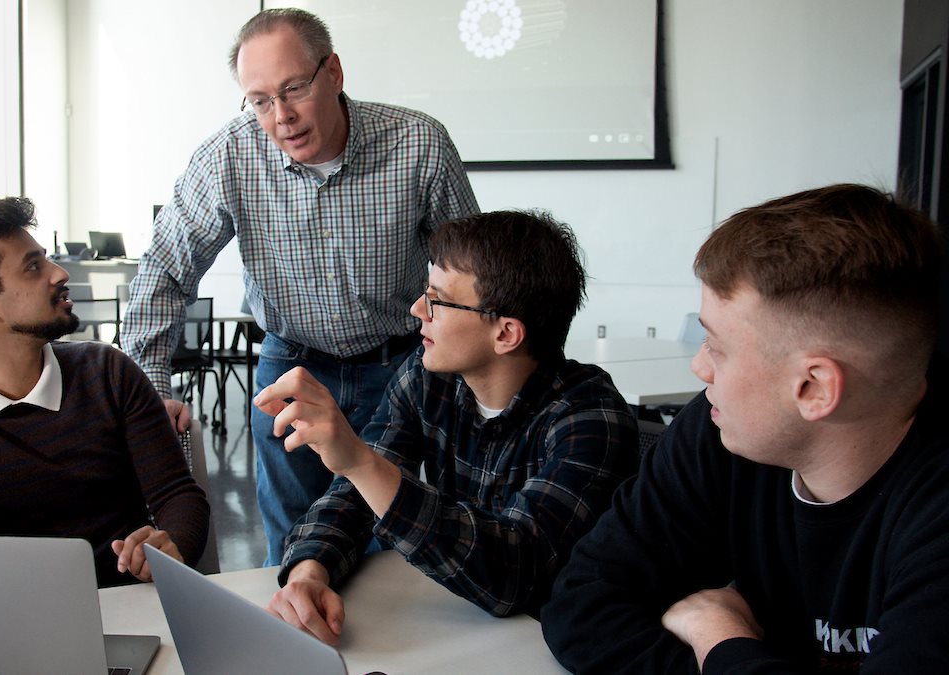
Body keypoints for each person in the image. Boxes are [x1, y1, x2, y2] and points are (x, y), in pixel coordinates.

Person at [542, 184, 949, 673]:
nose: (700, 367)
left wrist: (719, 639)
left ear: (814, 388)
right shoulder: (718, 427)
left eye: (716, 347)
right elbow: (580, 602)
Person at [124, 8, 479, 564]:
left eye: (293, 89)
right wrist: (155, 388)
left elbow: (470, 274)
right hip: (290, 366)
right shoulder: (228, 156)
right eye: (260, 100)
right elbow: (165, 269)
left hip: (401, 367)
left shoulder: (418, 144)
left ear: (333, 72)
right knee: (291, 543)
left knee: (393, 538)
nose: (281, 116)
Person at [255, 210, 639, 645]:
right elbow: (354, 498)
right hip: (458, 632)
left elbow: (514, 576)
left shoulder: (589, 419)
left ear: (506, 333)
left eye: (437, 299)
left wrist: (361, 463)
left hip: (551, 649)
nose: (418, 309)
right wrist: (309, 572)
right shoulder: (427, 377)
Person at [0, 197, 210, 587]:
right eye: (33, 267)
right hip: (11, 626)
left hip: (131, 608)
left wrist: (171, 547)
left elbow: (178, 495)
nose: (59, 273)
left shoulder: (109, 372)